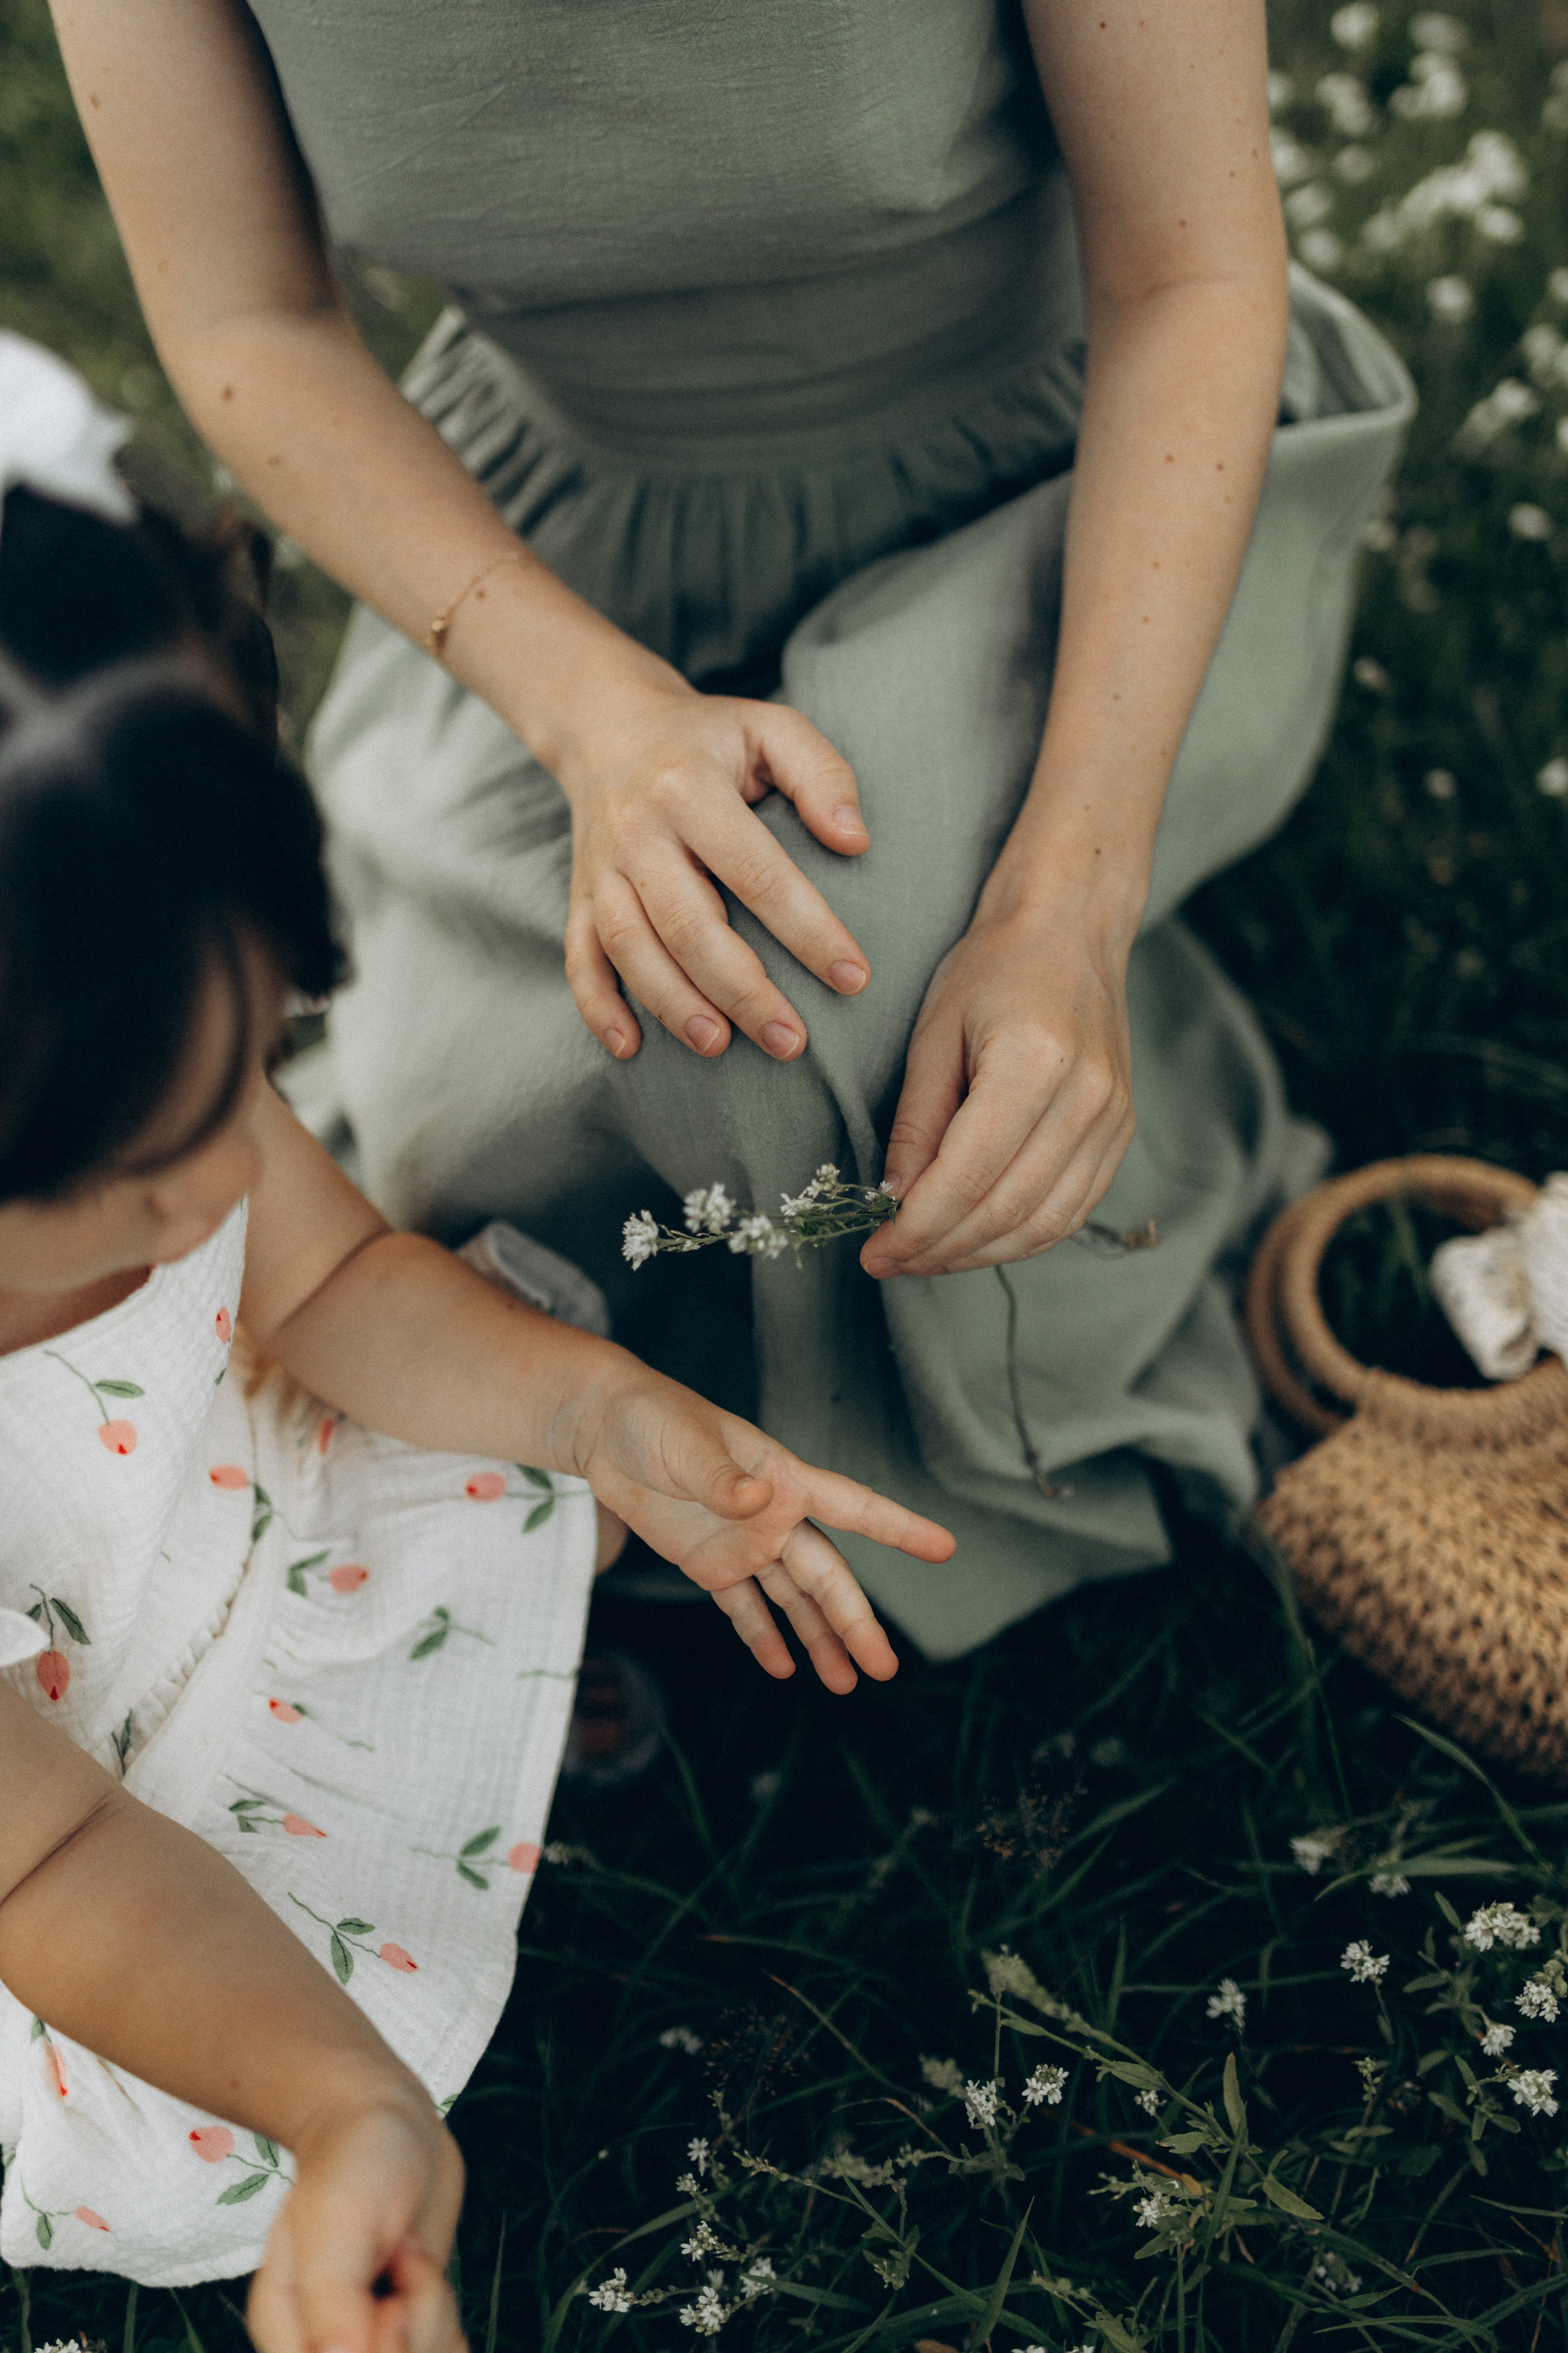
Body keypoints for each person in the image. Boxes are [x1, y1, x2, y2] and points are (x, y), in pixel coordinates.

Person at [47, 0, 1414, 1655]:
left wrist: (1067, 898)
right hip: (556, 542)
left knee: (817, 1038)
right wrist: (593, 714)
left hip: (1056, 485)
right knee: (475, 1125)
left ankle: (1134, 1120)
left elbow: (1188, 277)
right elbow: (247, 320)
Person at [0, 335, 953, 2290]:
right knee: (193, 2134)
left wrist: (598, 1414)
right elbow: (59, 1861)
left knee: (511, 1440)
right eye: (151, 1158)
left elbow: (337, 1278)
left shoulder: (106, 978)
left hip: (203, 1528)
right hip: (43, 1827)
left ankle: (432, 1745)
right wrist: (349, 2100)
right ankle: (375, 1869)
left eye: (251, 1065)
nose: (226, 1174)